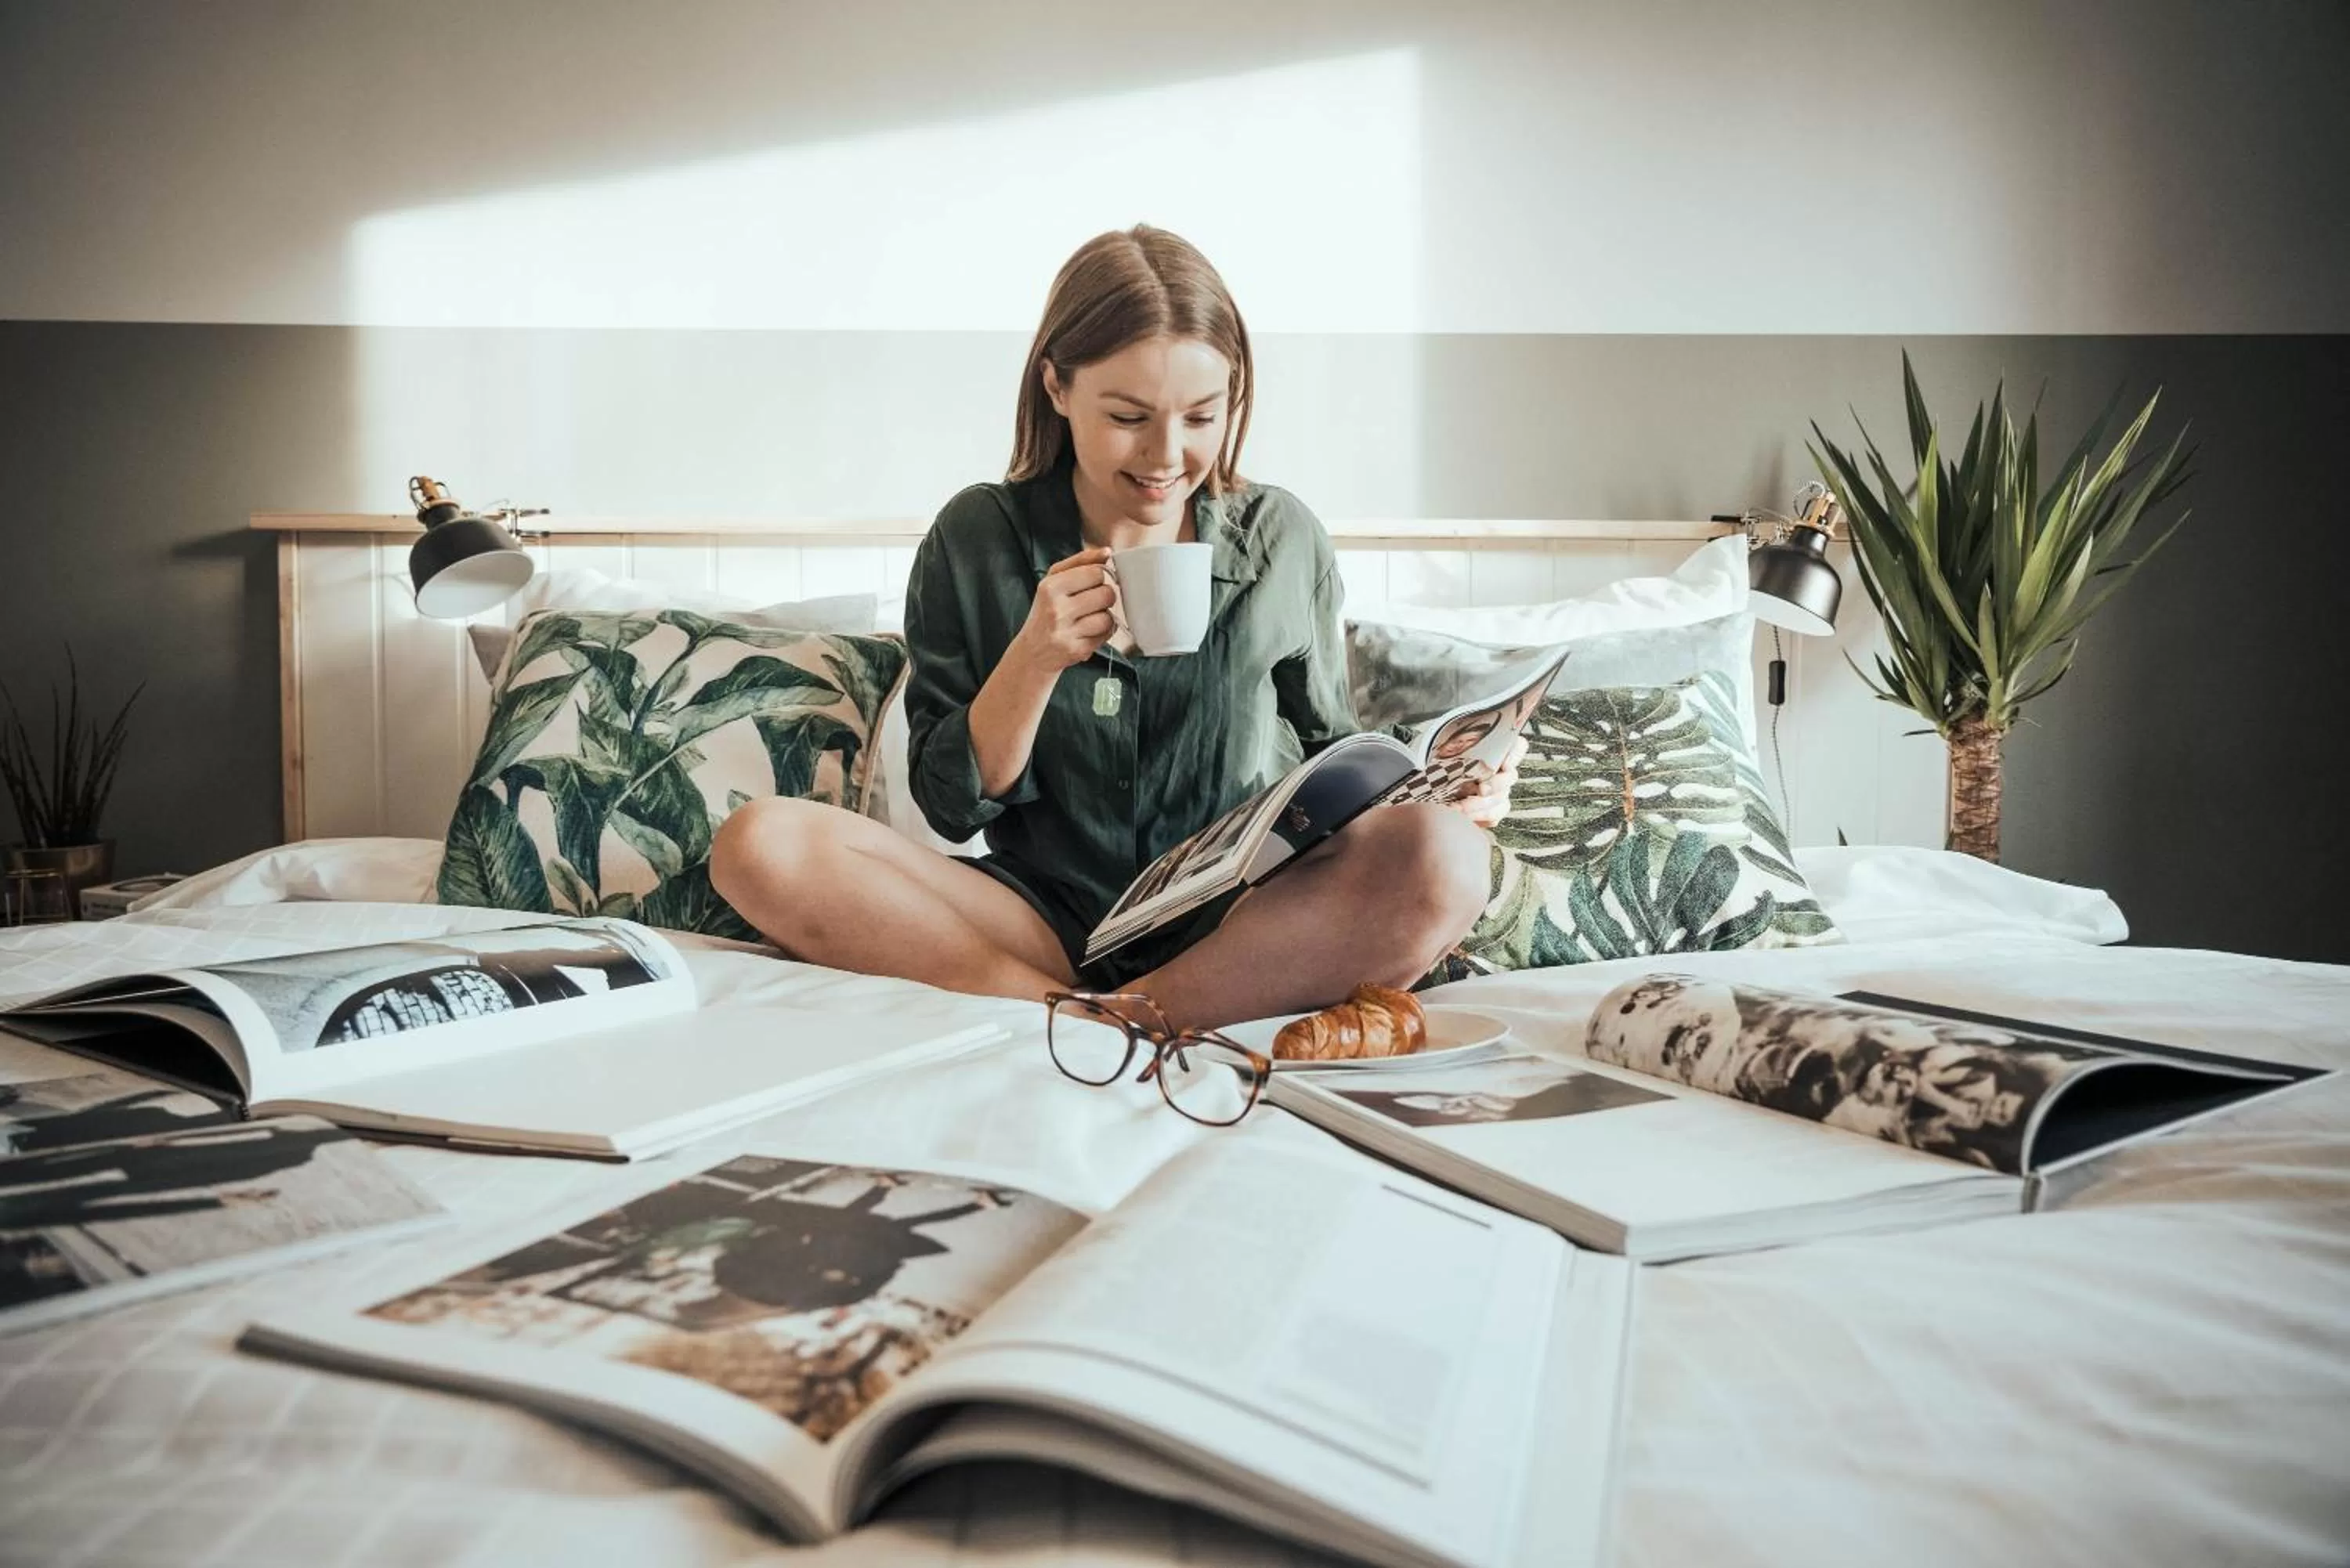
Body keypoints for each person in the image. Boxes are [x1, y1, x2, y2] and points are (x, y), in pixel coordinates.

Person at [713, 226, 1519, 1029]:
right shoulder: (978, 538)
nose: (1167, 456)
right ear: (1057, 386)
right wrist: (1034, 659)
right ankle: (1107, 1017)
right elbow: (950, 808)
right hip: (1043, 919)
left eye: (1201, 417)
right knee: (759, 843)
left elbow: (1330, 757)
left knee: (1448, 858)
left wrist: (1443, 789)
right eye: (1129, 416)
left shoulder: (1281, 539)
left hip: (1242, 924)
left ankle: (1096, 1021)